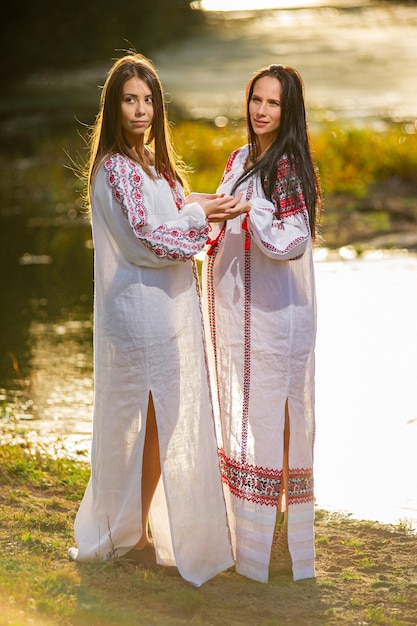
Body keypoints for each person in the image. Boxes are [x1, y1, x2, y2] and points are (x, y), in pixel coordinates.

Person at [68, 52, 240, 587]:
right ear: (113, 106)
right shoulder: (115, 168)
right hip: (136, 310)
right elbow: (146, 237)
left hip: (156, 308)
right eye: (130, 100)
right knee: (145, 422)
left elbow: (166, 213)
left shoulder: (150, 164)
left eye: (148, 100)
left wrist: (200, 204)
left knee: (152, 422)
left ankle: (136, 530)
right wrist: (197, 216)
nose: (141, 110)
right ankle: (129, 532)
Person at [202, 64, 322, 583]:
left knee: (281, 413)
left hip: (281, 313)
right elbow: (224, 214)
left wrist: (252, 212)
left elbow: (293, 241)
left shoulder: (289, 165)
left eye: (272, 103)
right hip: (246, 311)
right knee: (254, 414)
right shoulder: (238, 158)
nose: (261, 110)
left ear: (287, 110)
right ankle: (250, 523)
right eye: (256, 99)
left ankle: (276, 530)